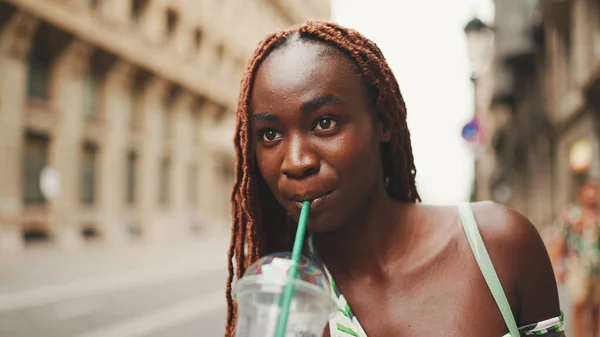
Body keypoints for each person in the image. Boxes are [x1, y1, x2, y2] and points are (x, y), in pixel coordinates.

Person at [224, 20, 564, 336]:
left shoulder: (498, 247)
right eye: (269, 135)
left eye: (324, 123)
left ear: (382, 123)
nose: (296, 162)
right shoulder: (284, 305)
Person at [550, 176, 600, 337]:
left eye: (596, 189)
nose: (593, 193)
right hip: (578, 268)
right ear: (581, 192)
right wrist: (558, 267)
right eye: (589, 189)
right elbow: (559, 241)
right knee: (579, 305)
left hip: (597, 270)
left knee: (596, 308)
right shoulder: (571, 213)